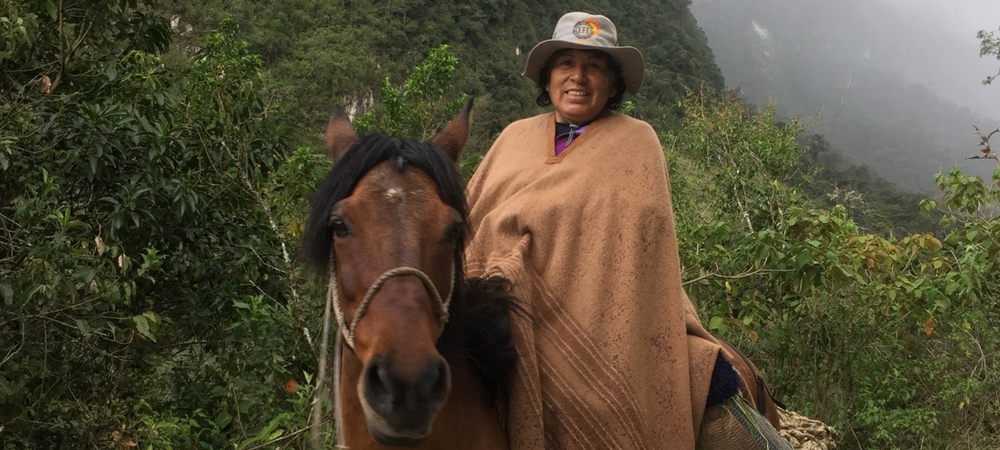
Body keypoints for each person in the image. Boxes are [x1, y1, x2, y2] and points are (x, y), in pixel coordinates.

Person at [464, 12, 781, 449]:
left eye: (594, 66)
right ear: (547, 76)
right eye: (566, 63)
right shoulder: (513, 137)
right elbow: (468, 222)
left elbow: (640, 252)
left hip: (608, 324)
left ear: (613, 83)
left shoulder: (636, 141)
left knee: (712, 382)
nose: (578, 77)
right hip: (499, 317)